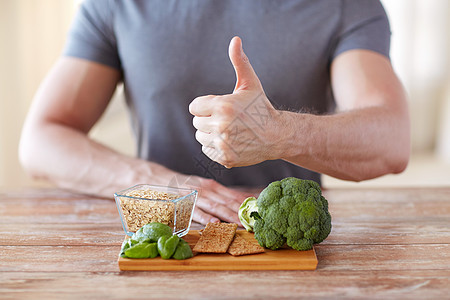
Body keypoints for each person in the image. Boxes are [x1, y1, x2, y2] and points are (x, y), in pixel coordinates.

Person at [19, 0, 410, 225]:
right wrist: (158, 182)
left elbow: (391, 140)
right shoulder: (114, 5)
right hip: (163, 234)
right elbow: (41, 138)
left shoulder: (347, 5)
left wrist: (280, 133)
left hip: (289, 242)